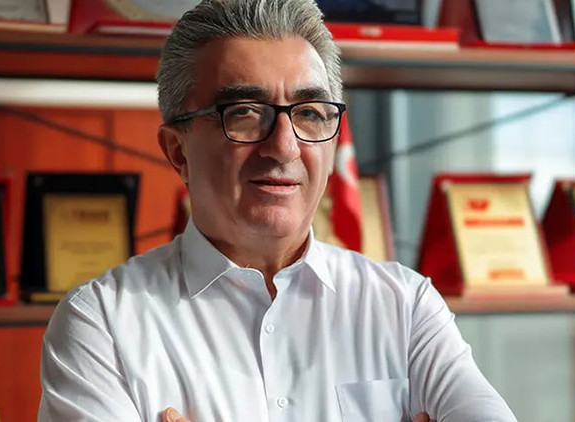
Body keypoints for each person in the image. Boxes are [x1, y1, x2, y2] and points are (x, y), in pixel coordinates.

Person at [38, 0, 517, 420]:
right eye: (244, 113)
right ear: (178, 152)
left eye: (308, 113)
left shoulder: (405, 307)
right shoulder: (101, 323)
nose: (285, 147)